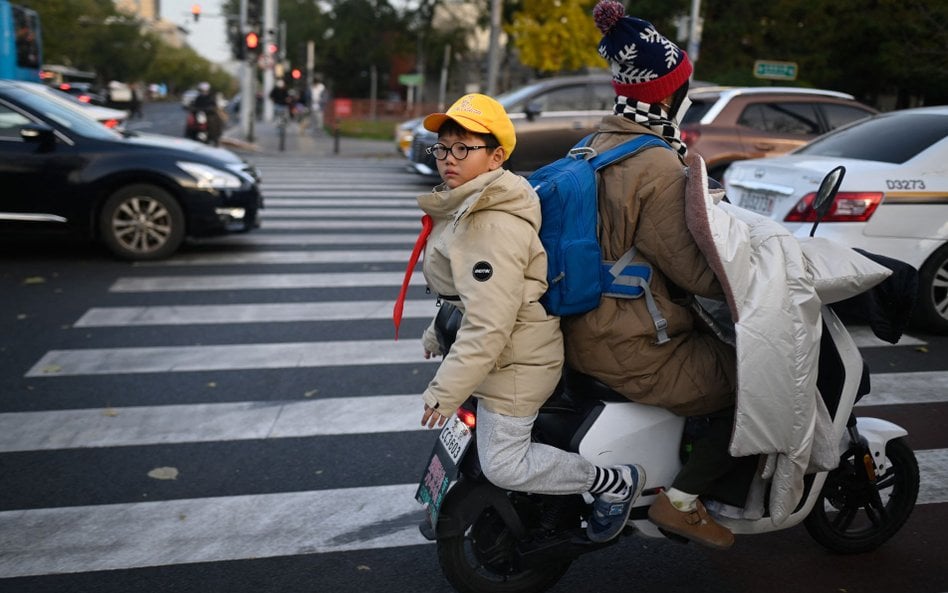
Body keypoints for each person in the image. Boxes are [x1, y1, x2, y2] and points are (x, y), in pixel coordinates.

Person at [409, 93, 645, 544]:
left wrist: (443, 393)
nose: (448, 158)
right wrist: (438, 332)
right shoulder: (467, 203)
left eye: (463, 148)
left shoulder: (491, 225)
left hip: (515, 364)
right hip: (495, 354)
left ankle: (612, 482)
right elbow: (465, 294)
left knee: (505, 463)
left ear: (496, 156)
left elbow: (490, 324)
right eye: (443, 147)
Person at [561, 0, 752, 550]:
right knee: (751, 388)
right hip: (631, 343)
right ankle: (684, 501)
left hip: (583, 327)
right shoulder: (658, 166)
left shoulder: (592, 146)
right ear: (669, 92)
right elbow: (695, 273)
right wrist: (753, 279)